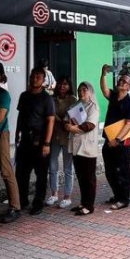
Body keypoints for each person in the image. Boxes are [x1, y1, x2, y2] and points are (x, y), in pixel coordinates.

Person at [16, 67, 56, 215]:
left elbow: (51, 121)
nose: (34, 79)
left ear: (43, 79)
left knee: (40, 174)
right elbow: (20, 117)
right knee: (21, 173)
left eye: (38, 77)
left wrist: (46, 143)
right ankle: (22, 200)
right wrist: (17, 135)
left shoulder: (47, 98)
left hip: (40, 140)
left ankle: (38, 203)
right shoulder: (24, 96)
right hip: (25, 139)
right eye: (33, 76)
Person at [0, 63, 22, 223]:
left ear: (0, 76)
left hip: (0, 134)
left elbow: (0, 116)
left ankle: (15, 207)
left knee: (6, 171)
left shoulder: (3, 94)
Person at [100, 65, 130, 209]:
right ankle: (116, 194)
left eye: (125, 82)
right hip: (108, 140)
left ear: (129, 88)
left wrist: (117, 140)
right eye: (121, 80)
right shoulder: (114, 97)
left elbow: (129, 124)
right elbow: (104, 89)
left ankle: (124, 199)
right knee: (110, 171)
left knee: (122, 171)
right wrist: (103, 74)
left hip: (121, 143)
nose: (121, 82)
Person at [66, 81, 101, 216]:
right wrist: (67, 125)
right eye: (80, 90)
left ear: (90, 92)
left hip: (87, 146)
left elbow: (90, 125)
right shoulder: (75, 105)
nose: (81, 93)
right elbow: (67, 119)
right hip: (76, 145)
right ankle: (83, 202)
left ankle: (89, 206)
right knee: (81, 177)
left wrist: (73, 128)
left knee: (89, 178)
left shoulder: (94, 107)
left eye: (84, 90)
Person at [47, 76, 77, 209]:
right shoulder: (51, 99)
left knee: (68, 168)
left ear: (69, 86)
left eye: (65, 84)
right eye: (60, 83)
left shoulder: (73, 100)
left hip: (68, 137)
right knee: (52, 167)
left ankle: (67, 196)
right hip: (54, 137)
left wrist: (63, 120)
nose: (62, 86)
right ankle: (54, 194)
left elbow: (76, 118)